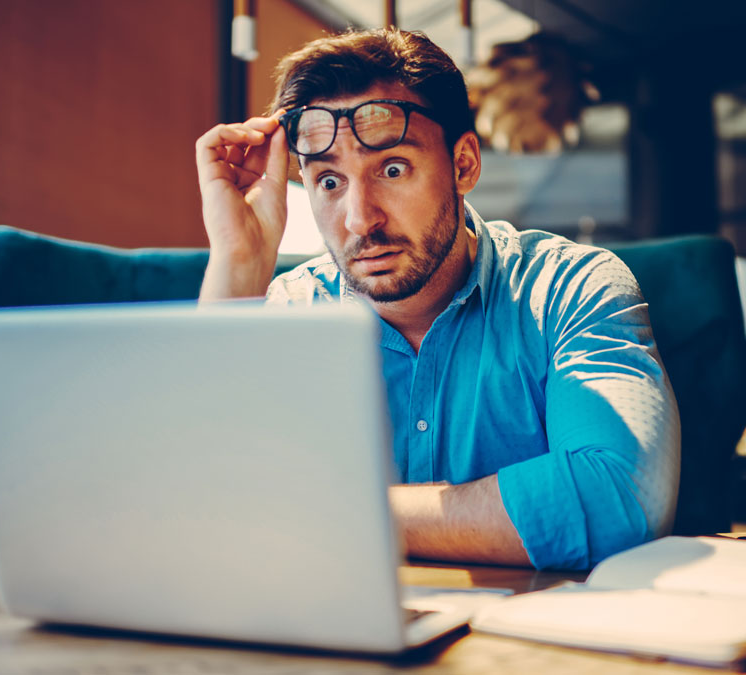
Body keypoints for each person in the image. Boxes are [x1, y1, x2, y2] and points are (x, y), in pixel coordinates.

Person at [195, 28, 679, 570]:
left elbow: (620, 497)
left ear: (464, 164)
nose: (360, 219)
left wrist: (343, 514)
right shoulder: (291, 311)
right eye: (329, 181)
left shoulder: (572, 288)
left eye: (393, 169)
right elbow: (201, 506)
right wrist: (237, 266)